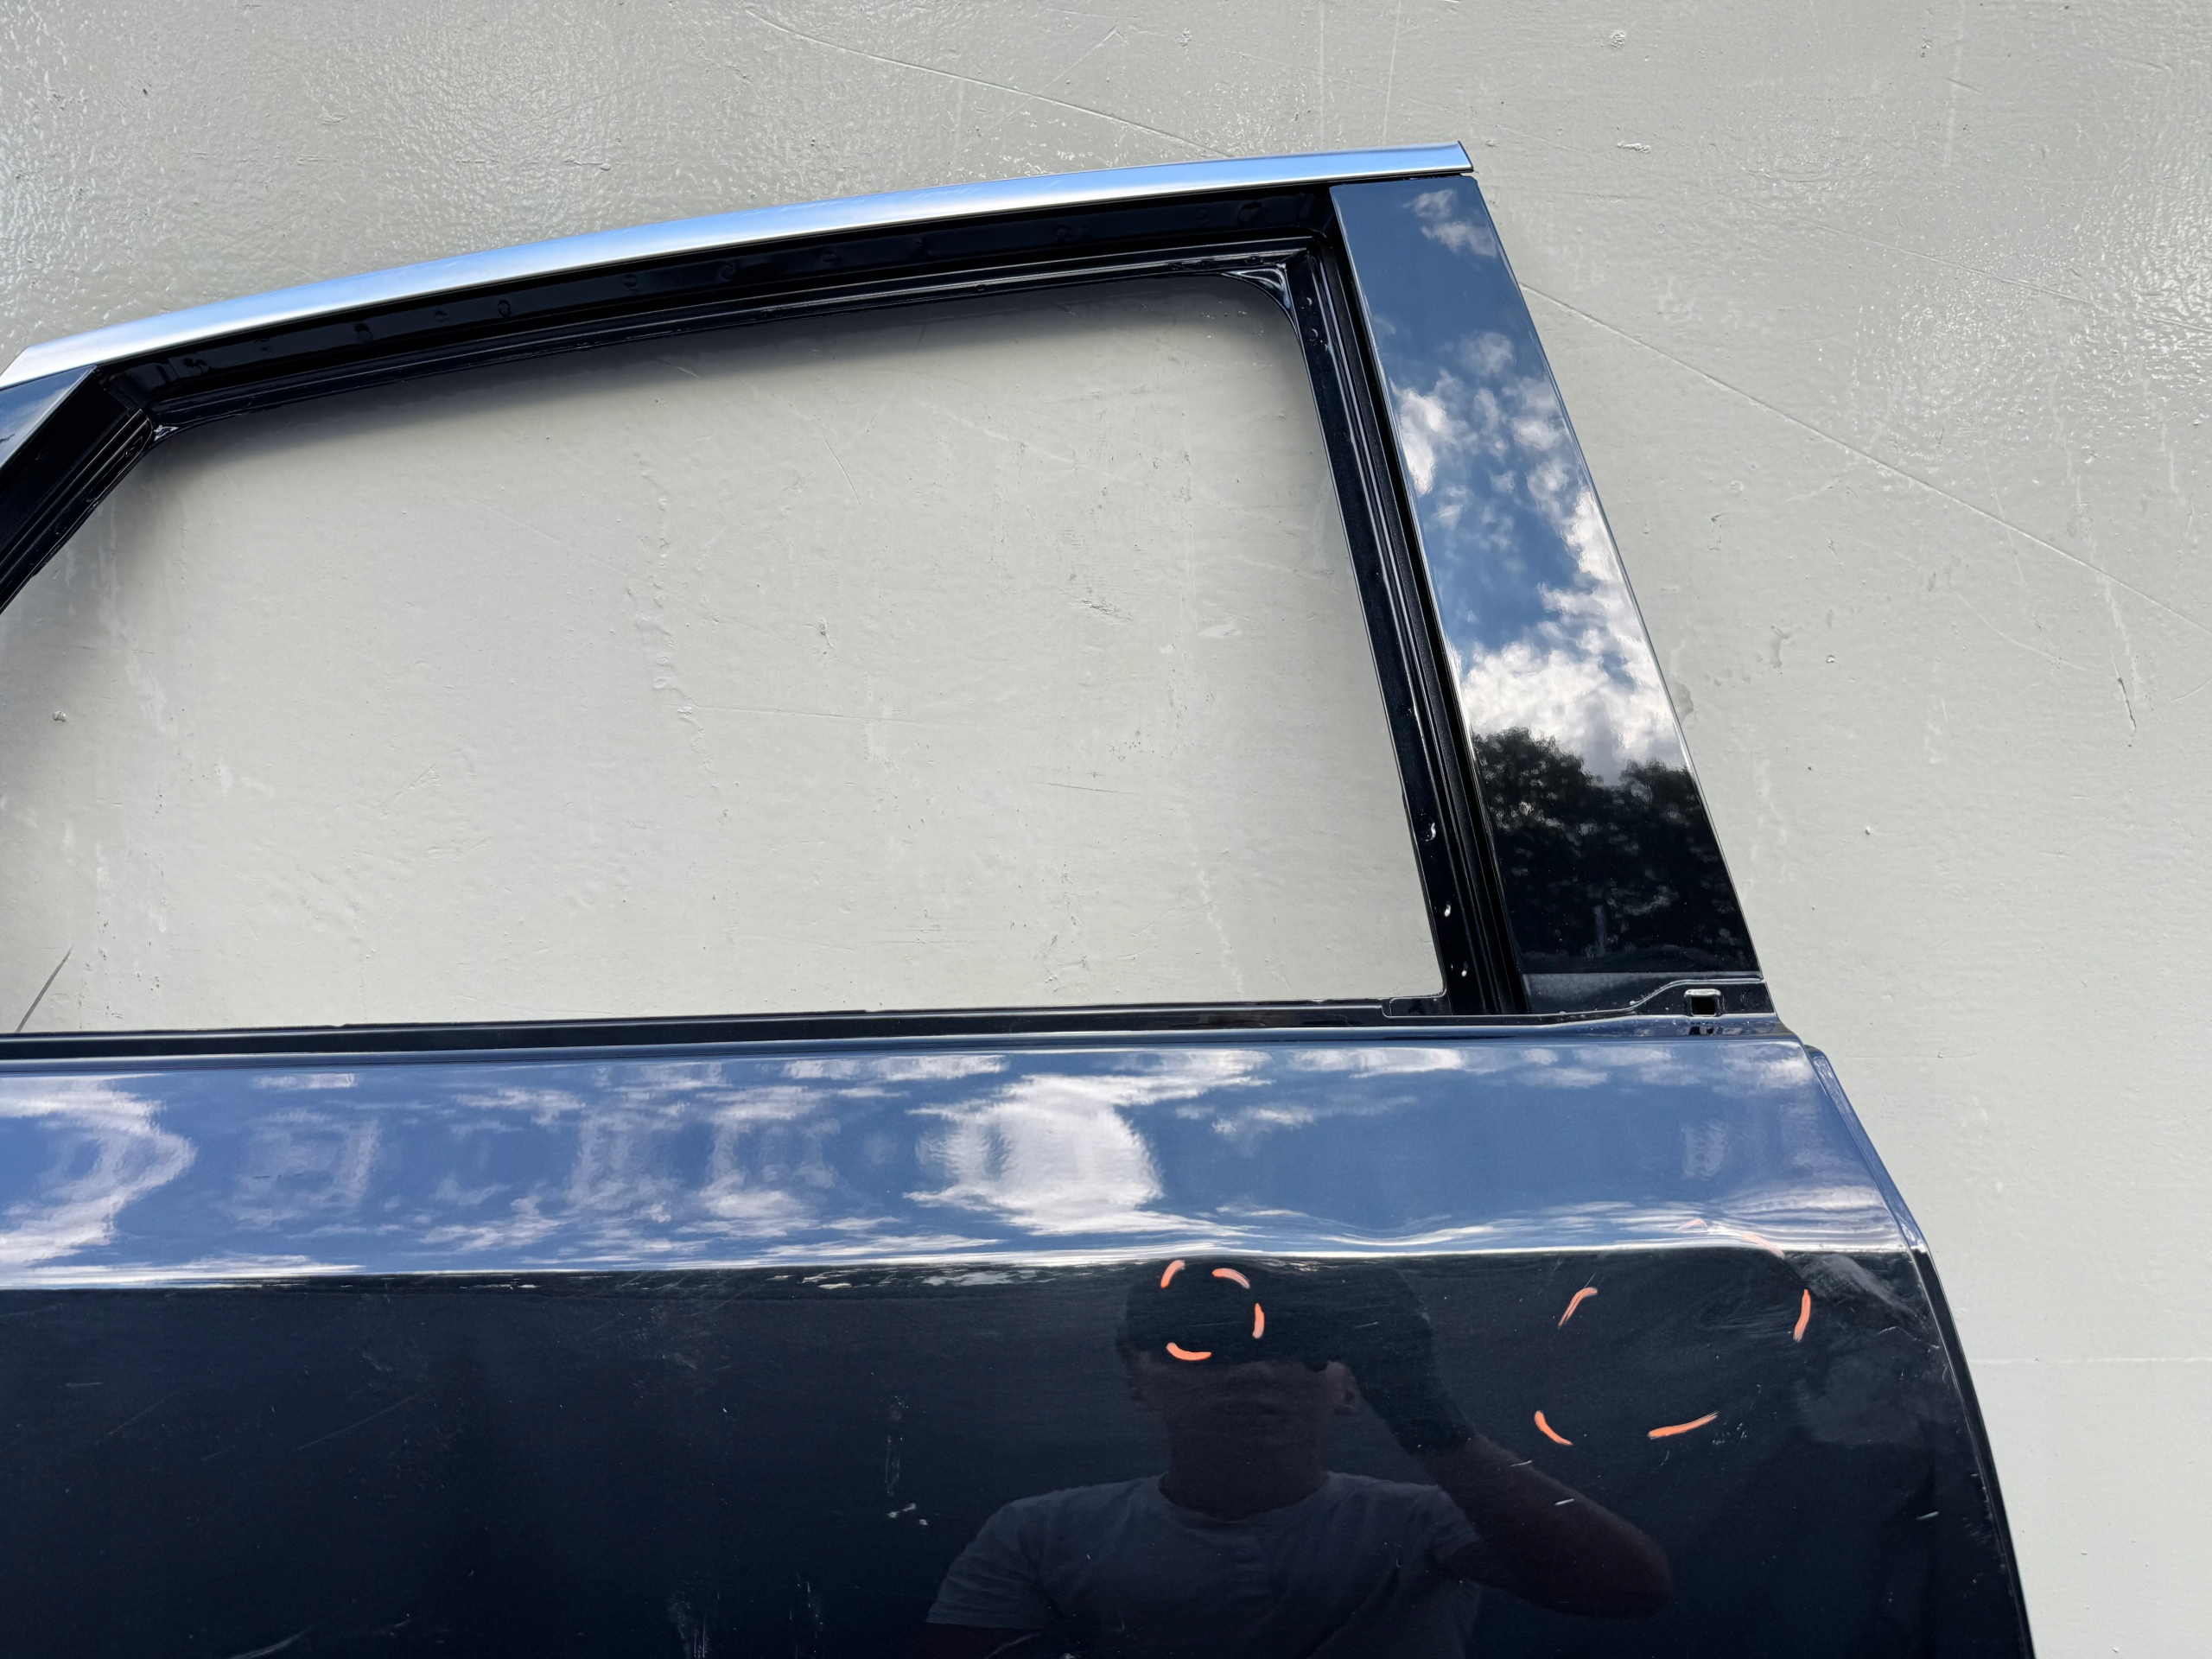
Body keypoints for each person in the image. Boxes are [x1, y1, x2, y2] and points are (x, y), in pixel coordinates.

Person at [913, 1257, 1671, 1657]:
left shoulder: (1428, 1524)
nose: (1253, 1370)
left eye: (1299, 1345)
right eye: (1201, 1345)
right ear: (1137, 1383)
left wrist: (1431, 1419)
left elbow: (1629, 1590)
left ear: (1351, 1385)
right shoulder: (1037, 1532)